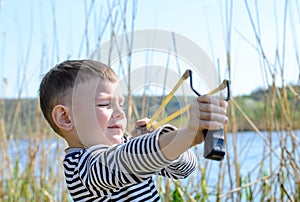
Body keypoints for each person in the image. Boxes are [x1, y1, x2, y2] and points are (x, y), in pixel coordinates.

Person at [39, 59, 228, 201]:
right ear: (65, 117)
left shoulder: (132, 150)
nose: (120, 113)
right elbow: (122, 161)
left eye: (120, 104)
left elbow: (184, 169)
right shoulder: (80, 167)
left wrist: (173, 139)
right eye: (104, 104)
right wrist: (187, 134)